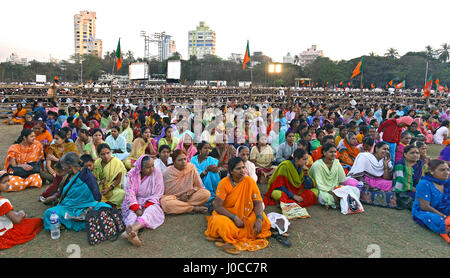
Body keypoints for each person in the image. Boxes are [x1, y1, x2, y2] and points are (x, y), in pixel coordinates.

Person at [204, 157, 271, 255]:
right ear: (231, 171)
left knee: (263, 219)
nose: (242, 171)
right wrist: (234, 217)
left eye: (243, 168)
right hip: (227, 216)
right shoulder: (224, 183)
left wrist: (259, 219)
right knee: (221, 223)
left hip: (245, 216)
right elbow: (217, 206)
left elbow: (258, 202)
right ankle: (234, 234)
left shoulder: (249, 181)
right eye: (238, 169)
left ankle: (231, 236)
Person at [43, 152, 110, 232]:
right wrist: (54, 197)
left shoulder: (88, 176)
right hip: (69, 207)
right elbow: (63, 195)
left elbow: (97, 197)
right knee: (49, 213)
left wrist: (87, 211)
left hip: (87, 207)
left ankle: (68, 223)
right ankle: (84, 222)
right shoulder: (68, 176)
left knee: (106, 208)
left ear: (70, 167)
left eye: (64, 167)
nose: (63, 168)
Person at [121, 155, 165, 247]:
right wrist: (136, 208)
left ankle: (132, 229)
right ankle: (134, 235)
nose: (152, 169)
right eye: (148, 167)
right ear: (141, 168)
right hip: (134, 201)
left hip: (150, 201)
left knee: (150, 212)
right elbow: (130, 193)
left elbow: (158, 193)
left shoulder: (157, 173)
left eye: (153, 166)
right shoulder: (132, 175)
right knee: (131, 214)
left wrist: (145, 207)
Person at [0, 170, 43, 250]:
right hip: (5, 233)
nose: (8, 184)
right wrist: (21, 213)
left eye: (8, 181)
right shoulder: (3, 202)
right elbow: (16, 220)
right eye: (4, 182)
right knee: (37, 221)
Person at [160, 149, 211, 215]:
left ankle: (180, 207)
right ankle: (194, 208)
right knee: (165, 203)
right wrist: (178, 199)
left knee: (206, 194)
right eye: (180, 160)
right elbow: (165, 192)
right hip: (174, 198)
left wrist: (187, 194)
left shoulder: (191, 167)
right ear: (174, 161)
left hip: (189, 196)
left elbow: (198, 186)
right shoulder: (167, 172)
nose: (183, 162)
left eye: (185, 159)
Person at [412, 159, 450, 243]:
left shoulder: (447, 182)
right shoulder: (424, 183)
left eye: (448, 169)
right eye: (442, 170)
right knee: (438, 220)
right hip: (426, 211)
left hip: (445, 210)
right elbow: (424, 206)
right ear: (432, 171)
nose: (446, 172)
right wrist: (443, 216)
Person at [309, 143, 348, 209]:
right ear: (324, 152)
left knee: (354, 191)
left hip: (335, 189)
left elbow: (342, 180)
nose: (333, 154)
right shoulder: (317, 165)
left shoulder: (336, 163)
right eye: (331, 152)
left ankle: (335, 201)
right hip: (322, 190)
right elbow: (319, 184)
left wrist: (340, 191)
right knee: (322, 197)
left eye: (335, 152)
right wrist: (332, 193)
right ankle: (336, 201)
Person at [92, 144, 126, 209]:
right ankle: (105, 204)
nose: (106, 156)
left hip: (111, 189)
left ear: (110, 152)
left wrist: (109, 188)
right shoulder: (97, 163)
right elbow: (94, 177)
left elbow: (118, 179)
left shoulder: (117, 162)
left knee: (122, 194)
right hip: (98, 189)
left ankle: (106, 204)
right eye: (103, 154)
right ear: (99, 155)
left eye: (108, 153)